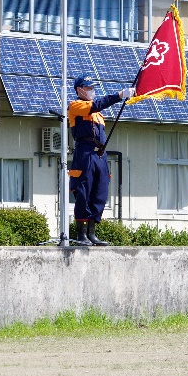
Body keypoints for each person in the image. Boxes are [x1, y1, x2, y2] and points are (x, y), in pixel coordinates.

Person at [68, 73, 135, 246]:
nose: (92, 91)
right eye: (88, 88)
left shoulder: (98, 115)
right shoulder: (76, 106)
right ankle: (81, 235)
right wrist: (119, 95)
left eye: (93, 88)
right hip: (85, 154)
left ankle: (92, 233)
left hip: (100, 155)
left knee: (99, 192)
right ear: (79, 89)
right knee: (83, 191)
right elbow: (97, 105)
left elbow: (97, 108)